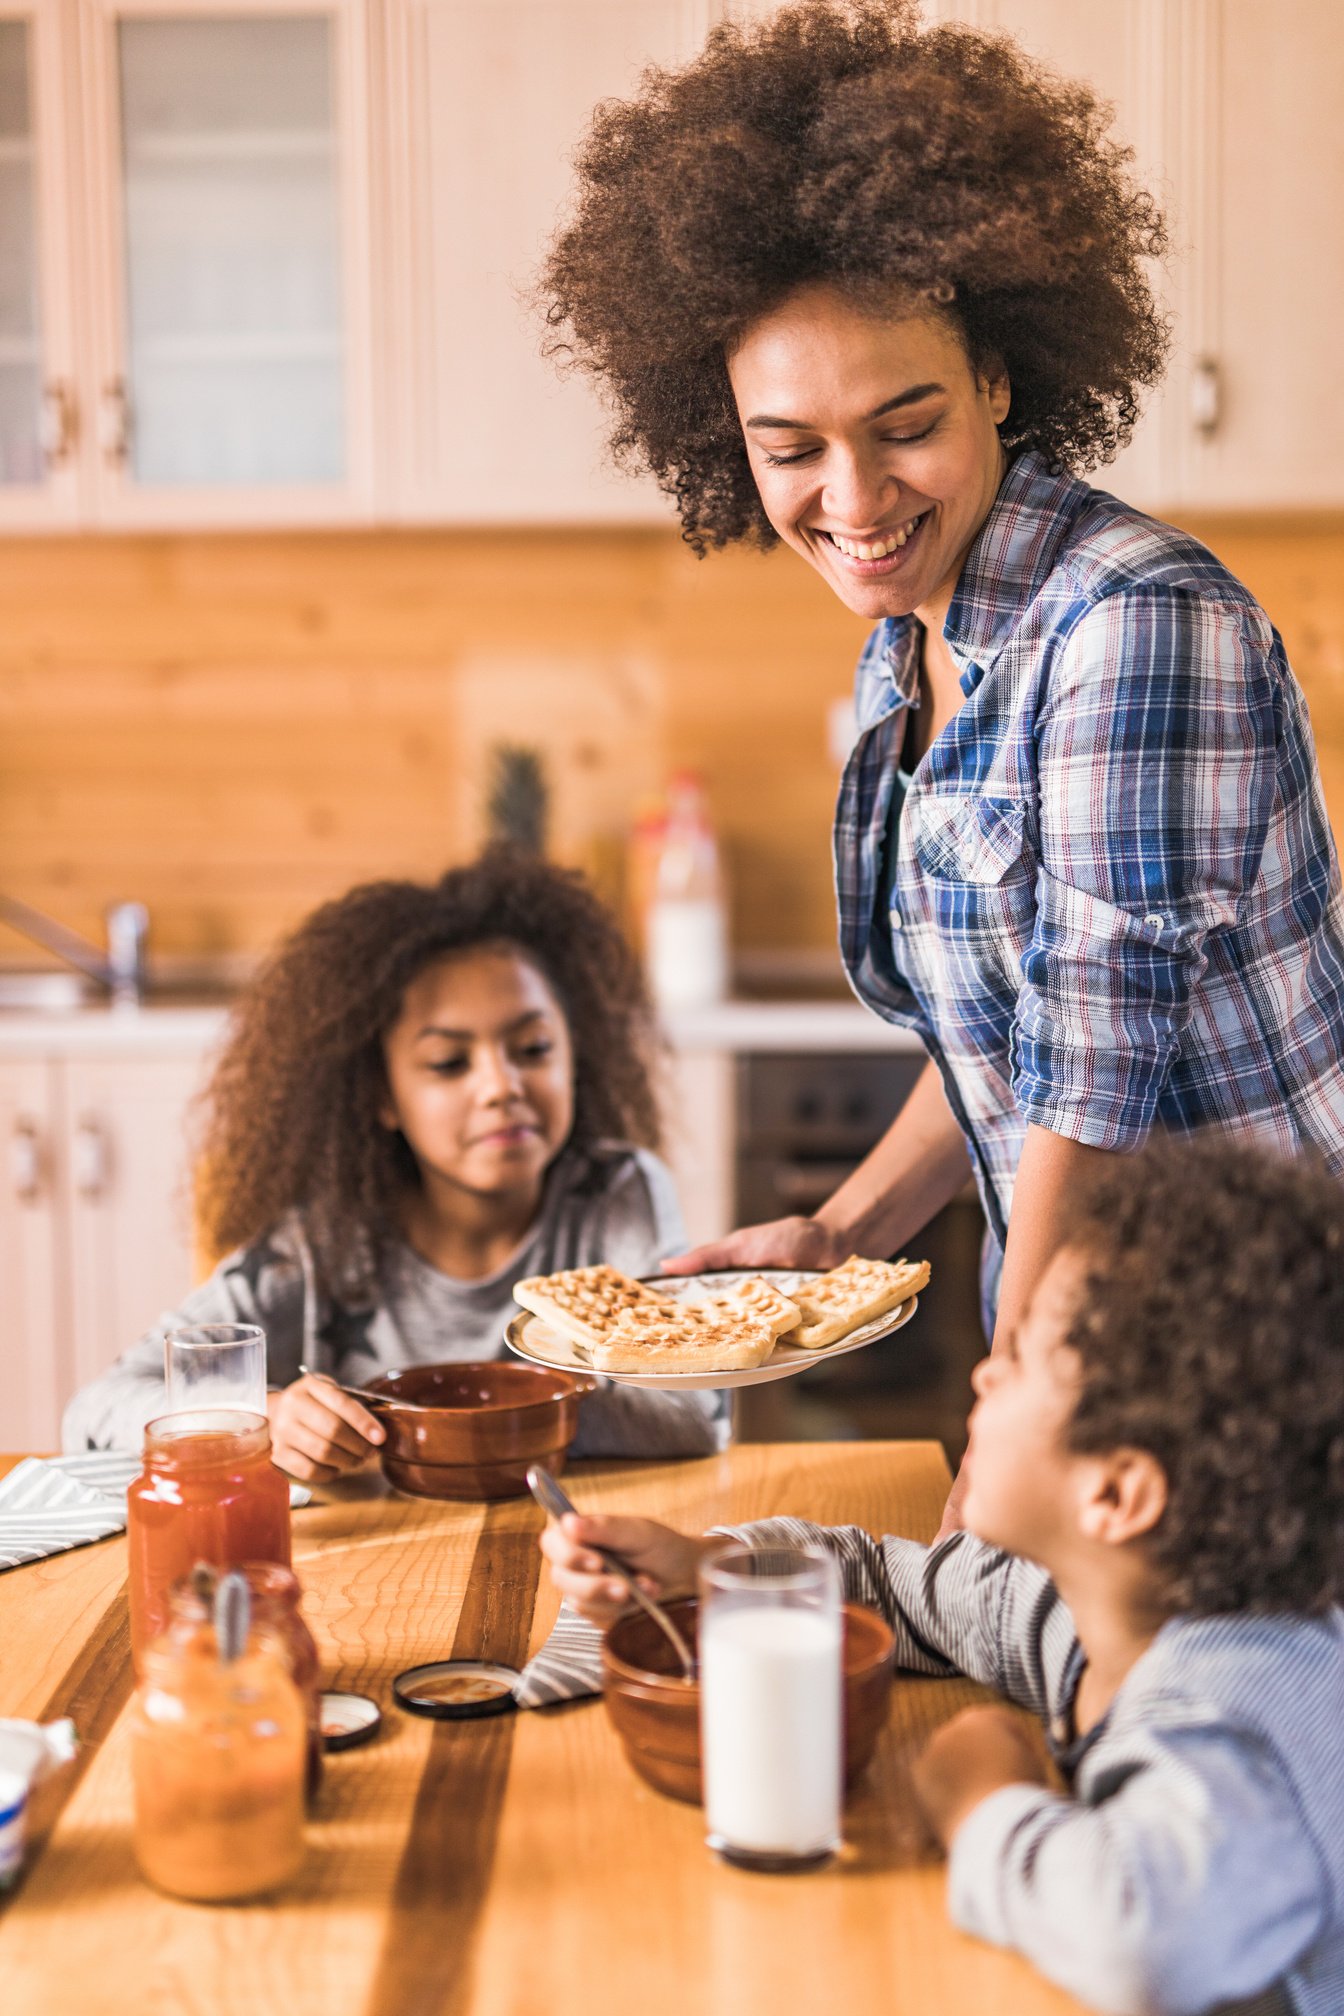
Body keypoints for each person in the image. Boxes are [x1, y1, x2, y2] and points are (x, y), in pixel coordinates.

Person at [539, 0, 1344, 1375]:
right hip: (1110, 1354)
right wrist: (843, 1232)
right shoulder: (917, 640)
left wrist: (1012, 1396)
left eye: (904, 426)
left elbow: (1091, 1087)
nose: (853, 499)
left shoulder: (1131, 628)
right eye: (790, 447)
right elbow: (1013, 1041)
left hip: (1260, 1375)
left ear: (999, 378)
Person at [542, 1136, 1344, 2016]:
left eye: (1026, 1358)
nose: (983, 1370)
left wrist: (982, 1796)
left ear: (1116, 1493)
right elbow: (894, 1586)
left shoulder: (1238, 1712)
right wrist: (708, 1567)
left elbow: (1141, 1945)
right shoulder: (1073, 1610)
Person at [63, 851, 728, 1473]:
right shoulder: (320, 1247)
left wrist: (470, 1418)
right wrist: (262, 1417)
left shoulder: (618, 1194)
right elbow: (94, 1413)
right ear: (382, 1094)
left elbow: (696, 1416)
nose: (501, 1085)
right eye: (448, 1063)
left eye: (532, 1048)